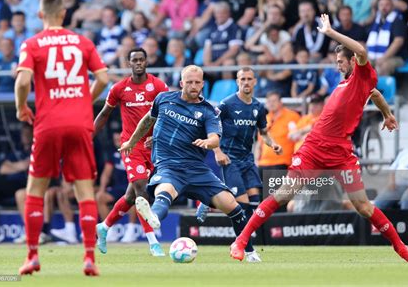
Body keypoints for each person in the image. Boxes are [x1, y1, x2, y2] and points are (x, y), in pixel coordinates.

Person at [230, 14, 408, 263]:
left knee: (363, 206)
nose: (338, 65)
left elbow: (362, 51)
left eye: (341, 61)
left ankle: (401, 249)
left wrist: (330, 32)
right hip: (314, 148)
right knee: (284, 194)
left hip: (341, 152)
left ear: (353, 61)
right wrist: (386, 114)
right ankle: (241, 241)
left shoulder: (363, 73)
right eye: (336, 61)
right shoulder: (349, 83)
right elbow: (374, 95)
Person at [119, 65, 261, 263]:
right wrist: (132, 142)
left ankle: (249, 252)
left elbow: (214, 138)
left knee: (233, 206)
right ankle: (155, 217)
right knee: (165, 191)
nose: (194, 86)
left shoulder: (208, 111)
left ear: (202, 84)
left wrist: (208, 142)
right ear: (181, 83)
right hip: (169, 165)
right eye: (189, 82)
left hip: (196, 169)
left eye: (197, 82)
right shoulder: (164, 99)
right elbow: (147, 120)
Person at [14, 0, 109, 276]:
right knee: (84, 191)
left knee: (35, 190)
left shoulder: (32, 44)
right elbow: (103, 77)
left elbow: (22, 81)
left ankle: (32, 255)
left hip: (48, 123)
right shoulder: (82, 41)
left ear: (40, 15)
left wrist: (21, 108)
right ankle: (89, 257)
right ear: (64, 14)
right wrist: (84, 101)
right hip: (79, 123)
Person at [93, 47, 168, 256]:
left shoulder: (158, 86)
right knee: (141, 191)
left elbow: (169, 113)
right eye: (134, 60)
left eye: (141, 59)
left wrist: (159, 136)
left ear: (146, 62)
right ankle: (153, 242)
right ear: (129, 63)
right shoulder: (119, 88)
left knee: (130, 196)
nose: (138, 63)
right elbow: (104, 114)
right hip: (131, 146)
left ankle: (104, 227)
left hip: (153, 147)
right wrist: (88, 134)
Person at [195, 67, 283, 223]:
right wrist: (217, 152)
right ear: (237, 82)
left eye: (249, 79)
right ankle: (242, 242)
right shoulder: (227, 104)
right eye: (242, 79)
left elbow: (263, 132)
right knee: (243, 205)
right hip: (230, 159)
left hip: (248, 160)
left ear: (255, 82)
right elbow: (211, 126)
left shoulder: (258, 107)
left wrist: (273, 144)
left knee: (255, 203)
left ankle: (212, 202)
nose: (246, 82)